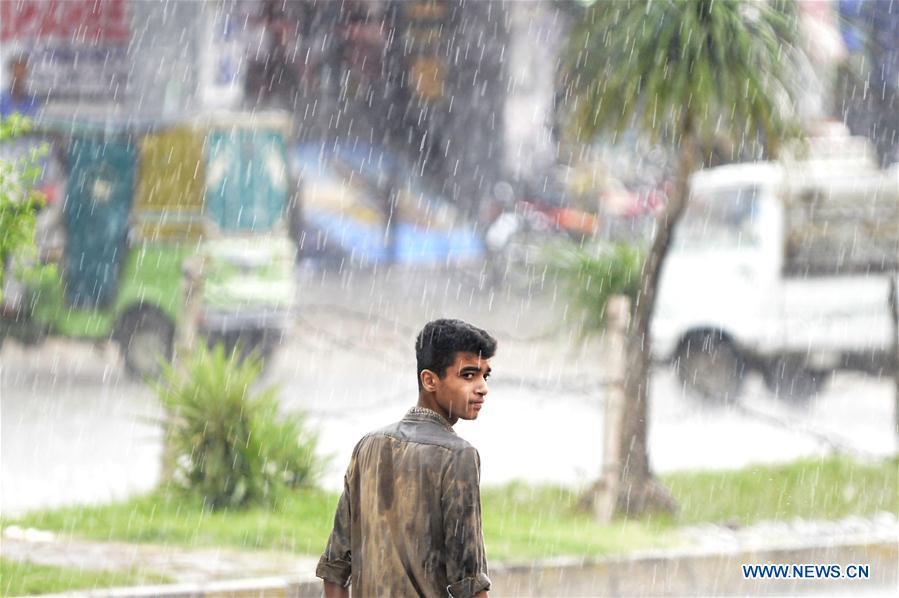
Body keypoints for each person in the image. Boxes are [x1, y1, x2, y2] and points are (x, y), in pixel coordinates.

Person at [316, 318, 497, 598]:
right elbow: (468, 580)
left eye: (485, 376)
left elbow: (335, 568)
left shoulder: (369, 445)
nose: (482, 387)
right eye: (468, 375)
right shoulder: (459, 455)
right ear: (429, 380)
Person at [1, 54, 41, 118]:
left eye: (22, 73)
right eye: (16, 74)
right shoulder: (1, 99)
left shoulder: (32, 102)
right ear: (9, 73)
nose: (19, 78)